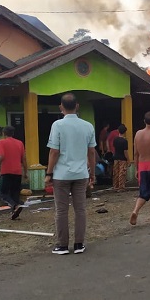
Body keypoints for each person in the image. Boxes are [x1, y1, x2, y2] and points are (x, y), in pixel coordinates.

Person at [45, 93, 97, 255]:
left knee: (61, 210)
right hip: (81, 174)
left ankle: (62, 245)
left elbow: (54, 151)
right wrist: (92, 174)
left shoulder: (57, 125)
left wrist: (49, 173)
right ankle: (79, 244)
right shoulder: (88, 126)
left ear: (61, 107)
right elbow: (91, 152)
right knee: (80, 210)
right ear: (77, 106)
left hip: (61, 175)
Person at [0, 125, 28, 220]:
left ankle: (16, 206)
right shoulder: (20, 143)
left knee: (2, 193)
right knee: (14, 194)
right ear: (13, 133)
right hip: (17, 172)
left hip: (6, 171)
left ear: (3, 134)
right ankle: (15, 212)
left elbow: (1, 157)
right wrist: (25, 172)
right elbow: (24, 159)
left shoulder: (2, 142)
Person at [112, 124, 129, 192]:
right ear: (125, 132)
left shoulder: (115, 139)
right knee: (122, 172)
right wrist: (128, 160)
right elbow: (125, 152)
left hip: (116, 157)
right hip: (122, 158)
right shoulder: (125, 141)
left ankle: (115, 186)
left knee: (116, 172)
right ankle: (121, 187)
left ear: (118, 131)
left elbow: (114, 148)